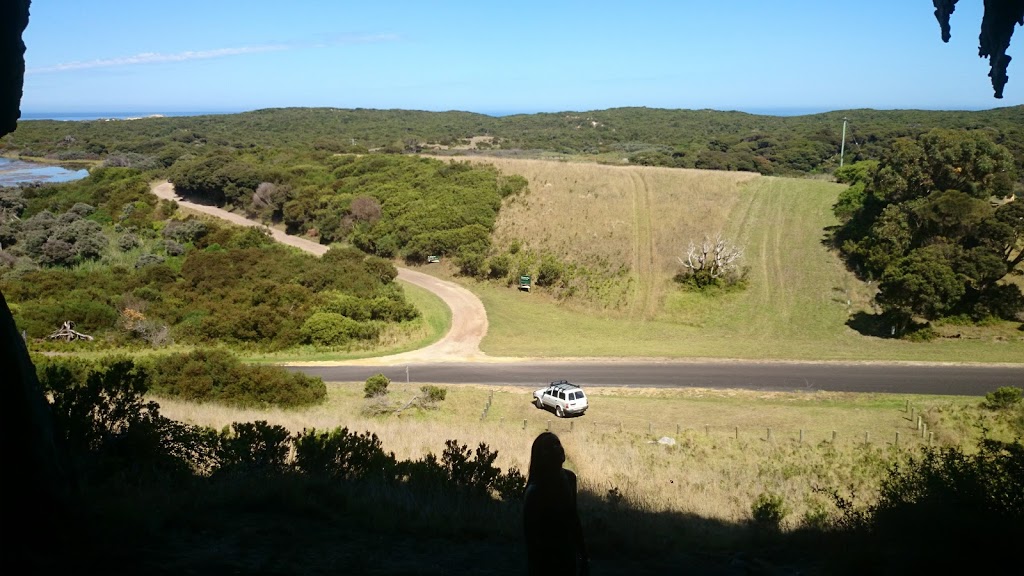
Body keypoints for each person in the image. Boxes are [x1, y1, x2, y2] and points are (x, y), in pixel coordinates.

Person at [523, 432, 589, 576]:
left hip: (568, 554)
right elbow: (532, 538)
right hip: (546, 560)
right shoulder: (535, 491)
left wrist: (583, 556)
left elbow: (574, 518)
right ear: (542, 456)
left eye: (558, 443)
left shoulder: (570, 478)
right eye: (550, 446)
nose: (557, 448)